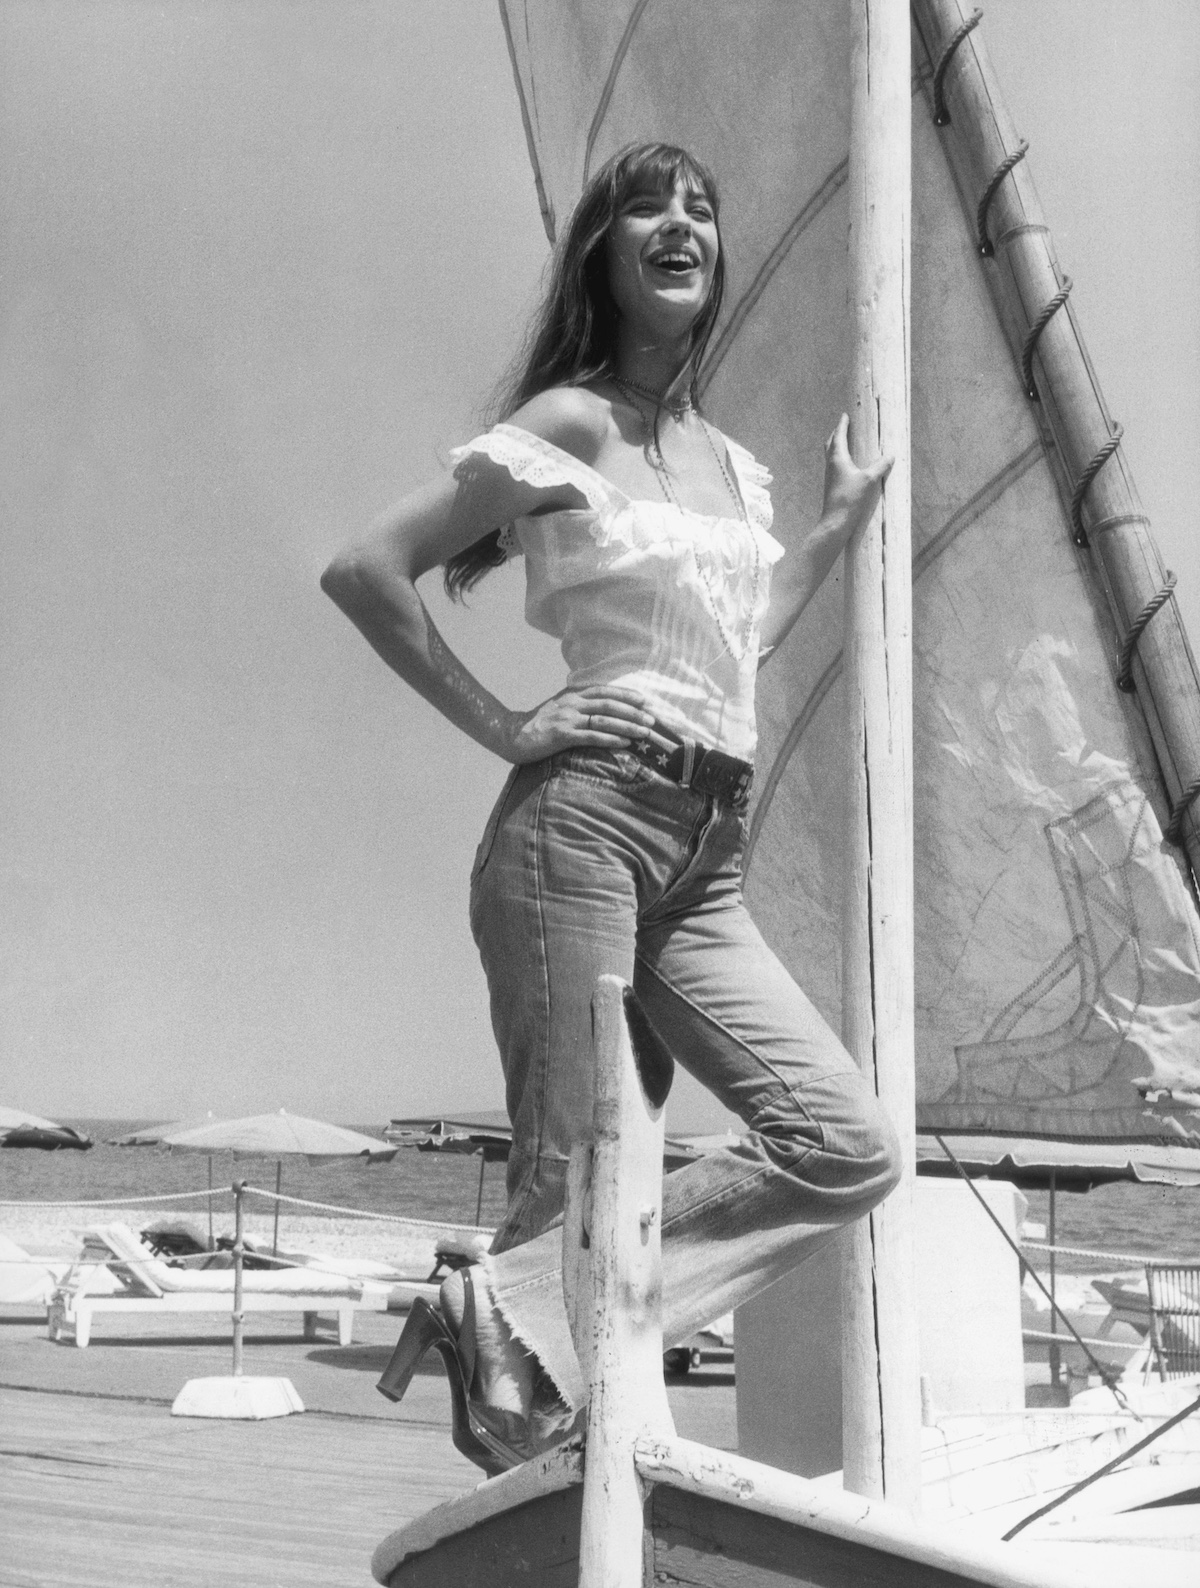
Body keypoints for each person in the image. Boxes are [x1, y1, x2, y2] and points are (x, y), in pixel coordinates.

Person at [321, 142, 902, 1475]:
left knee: (845, 1146)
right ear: (604, 250)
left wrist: (834, 528)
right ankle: (550, 1463)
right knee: (572, 1176)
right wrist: (511, 726)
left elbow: (736, 645)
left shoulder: (732, 467)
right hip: (582, 824)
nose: (679, 223)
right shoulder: (571, 422)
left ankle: (512, 1316)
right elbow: (366, 570)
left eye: (701, 206)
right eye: (647, 204)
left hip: (708, 850)